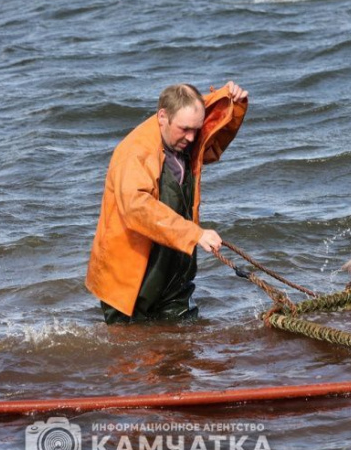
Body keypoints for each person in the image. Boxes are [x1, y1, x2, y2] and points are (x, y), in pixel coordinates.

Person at [86, 81, 249, 323]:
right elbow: (137, 208)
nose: (192, 137)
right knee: (132, 353)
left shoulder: (181, 138)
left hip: (174, 272)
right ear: (162, 116)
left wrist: (235, 105)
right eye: (185, 129)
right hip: (130, 281)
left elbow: (212, 140)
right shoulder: (135, 153)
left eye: (196, 129)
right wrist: (194, 234)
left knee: (186, 342)